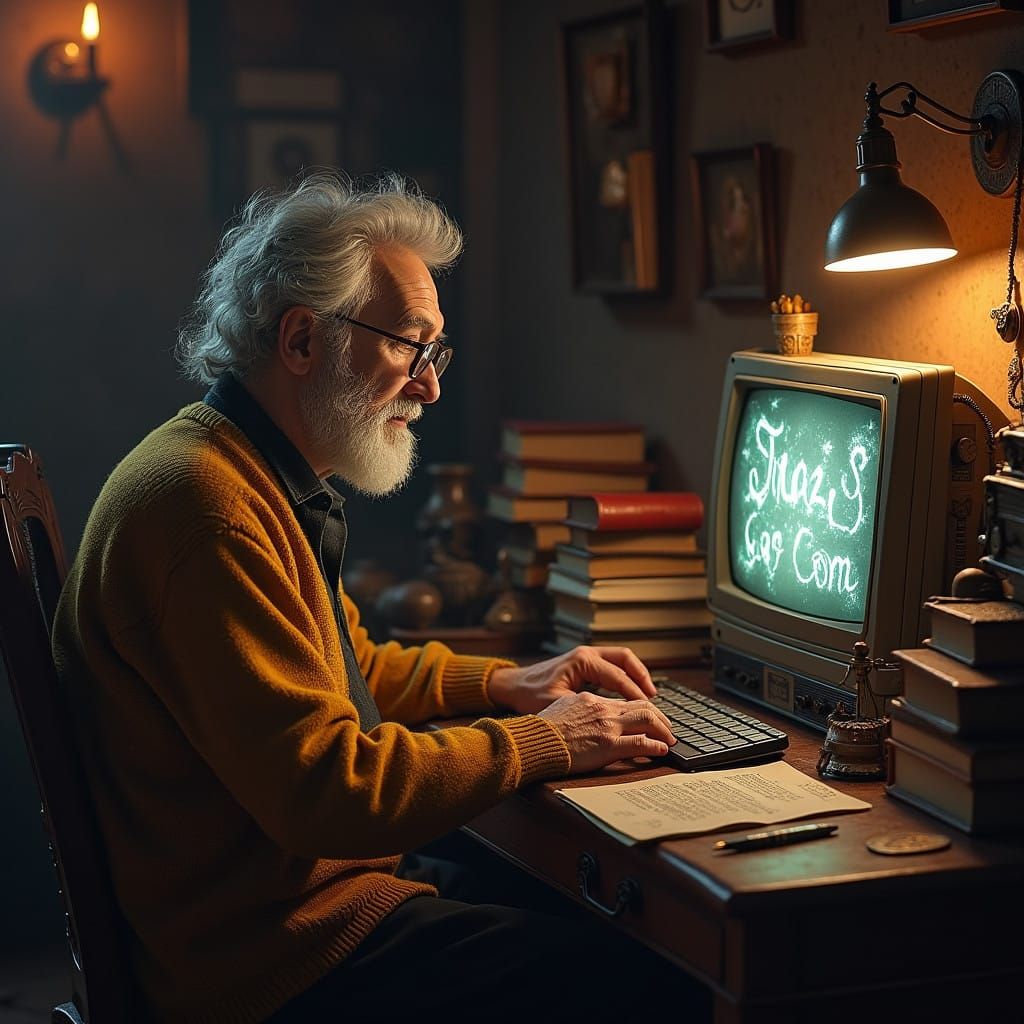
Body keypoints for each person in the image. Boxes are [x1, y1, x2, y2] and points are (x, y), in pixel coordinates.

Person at [52, 173, 707, 1023]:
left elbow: (346, 668)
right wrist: (545, 739)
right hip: (270, 964)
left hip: (296, 911)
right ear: (300, 341)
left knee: (603, 927)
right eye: (409, 346)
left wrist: (508, 685)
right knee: (652, 981)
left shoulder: (243, 472)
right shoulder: (208, 513)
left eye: (436, 353)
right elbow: (328, 793)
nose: (429, 386)